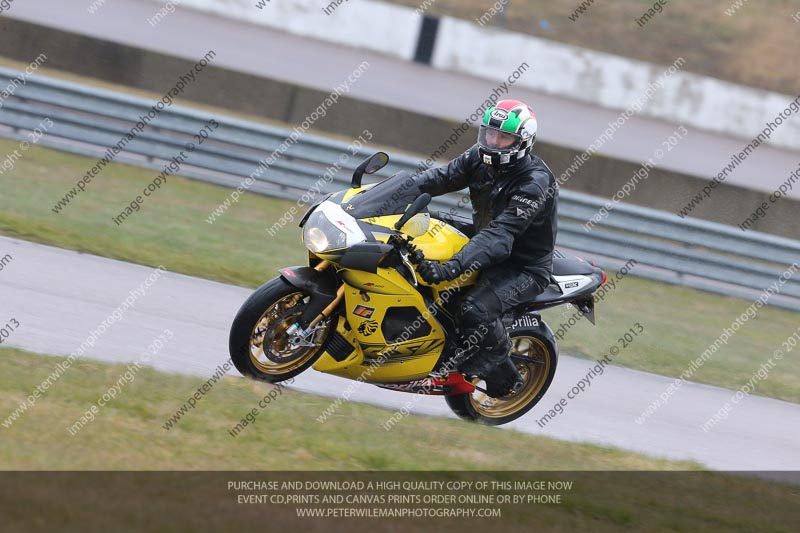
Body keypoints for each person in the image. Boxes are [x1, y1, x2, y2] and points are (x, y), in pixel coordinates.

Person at [414, 99, 558, 397]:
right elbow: (438, 179)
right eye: (489, 134)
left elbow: (501, 235)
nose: (493, 142)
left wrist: (451, 267)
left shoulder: (534, 183)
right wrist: (392, 191)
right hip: (486, 239)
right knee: (422, 224)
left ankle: (498, 359)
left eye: (503, 137)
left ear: (523, 141)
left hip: (522, 266)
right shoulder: (478, 158)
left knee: (474, 309)